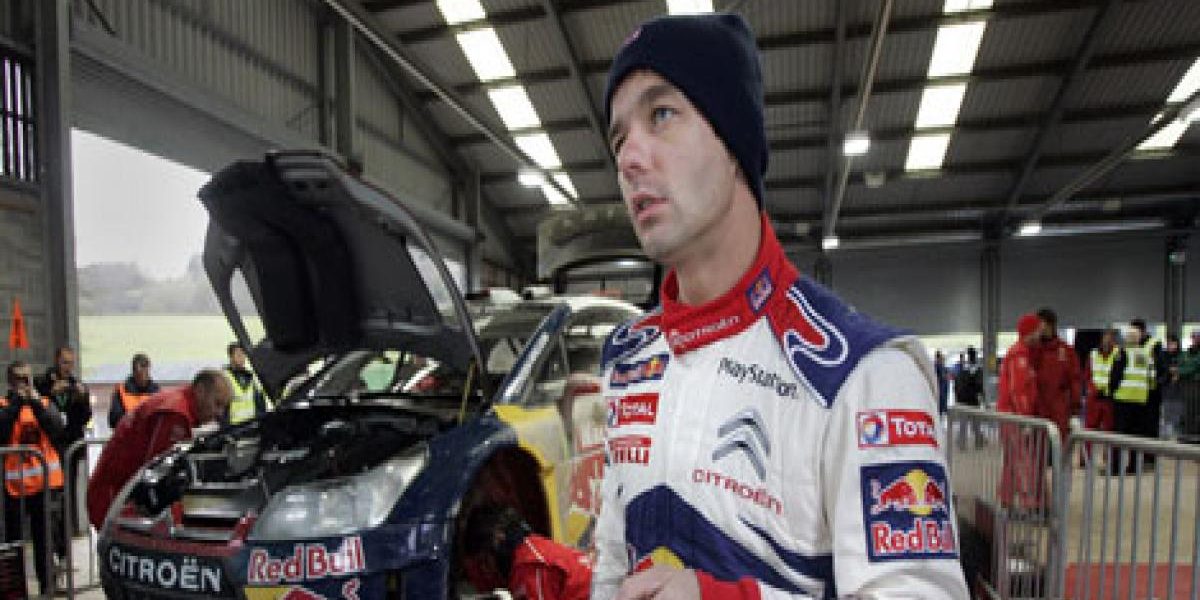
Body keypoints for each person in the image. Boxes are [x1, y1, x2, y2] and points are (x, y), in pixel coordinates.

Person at [594, 13, 967, 599]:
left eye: (661, 115)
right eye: (618, 138)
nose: (629, 158)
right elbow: (613, 561)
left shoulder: (865, 374)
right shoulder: (626, 358)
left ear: (734, 142)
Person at [86, 369, 232, 529]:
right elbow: (159, 472)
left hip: (119, 494)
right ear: (200, 391)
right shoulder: (176, 413)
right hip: (114, 497)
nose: (220, 413)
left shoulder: (178, 403)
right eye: (217, 404)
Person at [2, 361, 67, 595]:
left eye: (27, 378)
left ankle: (48, 587)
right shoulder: (3, 405)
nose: (24, 383)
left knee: (45, 540)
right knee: (15, 543)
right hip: (15, 487)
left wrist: (35, 403)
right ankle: (16, 590)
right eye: (19, 379)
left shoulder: (44, 403)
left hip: (44, 484)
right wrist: (16, 404)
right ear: (10, 382)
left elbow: (57, 429)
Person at [461, 503, 592, 600]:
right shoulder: (534, 548)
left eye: (486, 558)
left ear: (499, 535)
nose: (486, 567)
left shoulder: (529, 564)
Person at [34, 346, 92, 534]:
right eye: (64, 363)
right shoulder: (42, 383)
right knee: (51, 492)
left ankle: (67, 533)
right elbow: (37, 410)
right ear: (56, 362)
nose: (68, 367)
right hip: (50, 446)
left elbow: (85, 417)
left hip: (70, 444)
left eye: (71, 363)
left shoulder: (76, 384)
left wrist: (82, 399)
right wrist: (51, 393)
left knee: (69, 491)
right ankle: (51, 533)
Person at [996, 314, 1047, 512]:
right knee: (1022, 461)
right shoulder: (1019, 355)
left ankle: (1006, 499)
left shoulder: (1021, 353)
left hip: (1010, 415)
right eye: (1038, 330)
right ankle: (1030, 505)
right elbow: (1018, 390)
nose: (1040, 334)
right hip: (1014, 417)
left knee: (1011, 461)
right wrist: (1025, 419)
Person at [1033, 308, 1081, 442]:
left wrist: (1075, 411)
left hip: (1059, 410)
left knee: (1059, 448)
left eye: (1040, 323)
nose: (1037, 328)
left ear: (1050, 325)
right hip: (1037, 410)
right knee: (1037, 449)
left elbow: (1074, 381)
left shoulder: (1067, 351)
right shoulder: (1032, 350)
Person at [1083, 329, 1122, 468]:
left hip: (1109, 398)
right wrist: (1091, 389)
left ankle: (1109, 459)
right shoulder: (1093, 354)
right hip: (1094, 397)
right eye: (1105, 338)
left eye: (1110, 338)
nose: (1107, 341)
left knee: (1109, 431)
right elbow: (1087, 375)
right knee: (1089, 429)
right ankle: (1085, 458)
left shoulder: (1119, 354)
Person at [222, 342, 271, 425]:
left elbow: (260, 403)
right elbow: (221, 409)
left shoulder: (252, 376)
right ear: (231, 357)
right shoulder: (224, 377)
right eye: (238, 355)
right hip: (234, 428)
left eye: (243, 354)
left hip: (252, 425)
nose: (242, 358)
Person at [108, 353, 159, 429]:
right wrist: (130, 418)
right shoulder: (121, 391)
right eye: (140, 374)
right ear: (133, 372)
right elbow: (113, 421)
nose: (143, 377)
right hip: (128, 433)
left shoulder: (156, 391)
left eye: (146, 373)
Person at [954, 346, 985, 449]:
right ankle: (978, 443)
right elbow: (980, 386)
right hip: (974, 400)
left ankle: (962, 444)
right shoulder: (978, 370)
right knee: (976, 424)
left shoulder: (962, 370)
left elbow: (957, 386)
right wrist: (982, 396)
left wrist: (957, 398)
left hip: (963, 401)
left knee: (963, 424)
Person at [934, 350, 949, 415]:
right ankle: (941, 410)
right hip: (941, 384)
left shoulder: (939, 365)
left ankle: (942, 410)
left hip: (942, 383)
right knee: (942, 397)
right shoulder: (938, 365)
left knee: (942, 397)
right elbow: (942, 376)